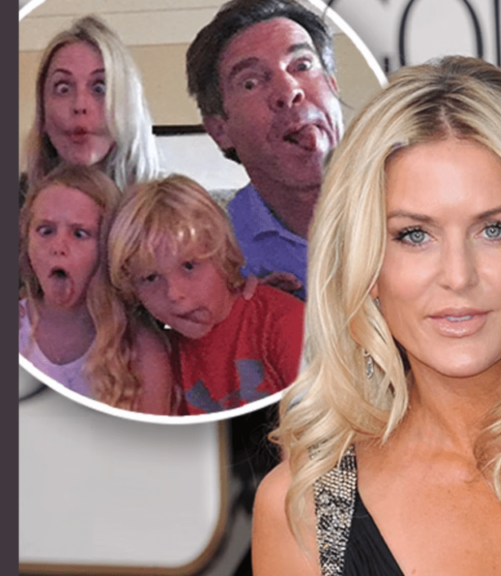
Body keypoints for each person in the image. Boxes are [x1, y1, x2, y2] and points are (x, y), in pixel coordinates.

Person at [251, 56, 501, 575]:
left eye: (494, 229)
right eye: (414, 235)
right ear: (366, 265)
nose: (458, 275)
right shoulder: (306, 507)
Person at [185, 0, 344, 301]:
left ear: (333, 87)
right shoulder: (213, 251)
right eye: (250, 83)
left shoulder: (420, 186)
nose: (289, 90)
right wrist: (241, 320)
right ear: (220, 130)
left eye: (302, 65)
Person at [108, 175, 305, 415]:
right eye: (150, 278)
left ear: (223, 253)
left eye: (189, 266)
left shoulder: (284, 324)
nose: (173, 294)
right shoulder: (154, 355)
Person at [19, 164, 173, 414]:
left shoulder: (142, 350)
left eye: (79, 234)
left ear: (107, 246)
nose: (58, 246)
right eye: (45, 231)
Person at [22, 15, 159, 201]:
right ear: (42, 112)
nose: (80, 105)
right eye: (63, 88)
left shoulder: (170, 211)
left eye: (100, 88)